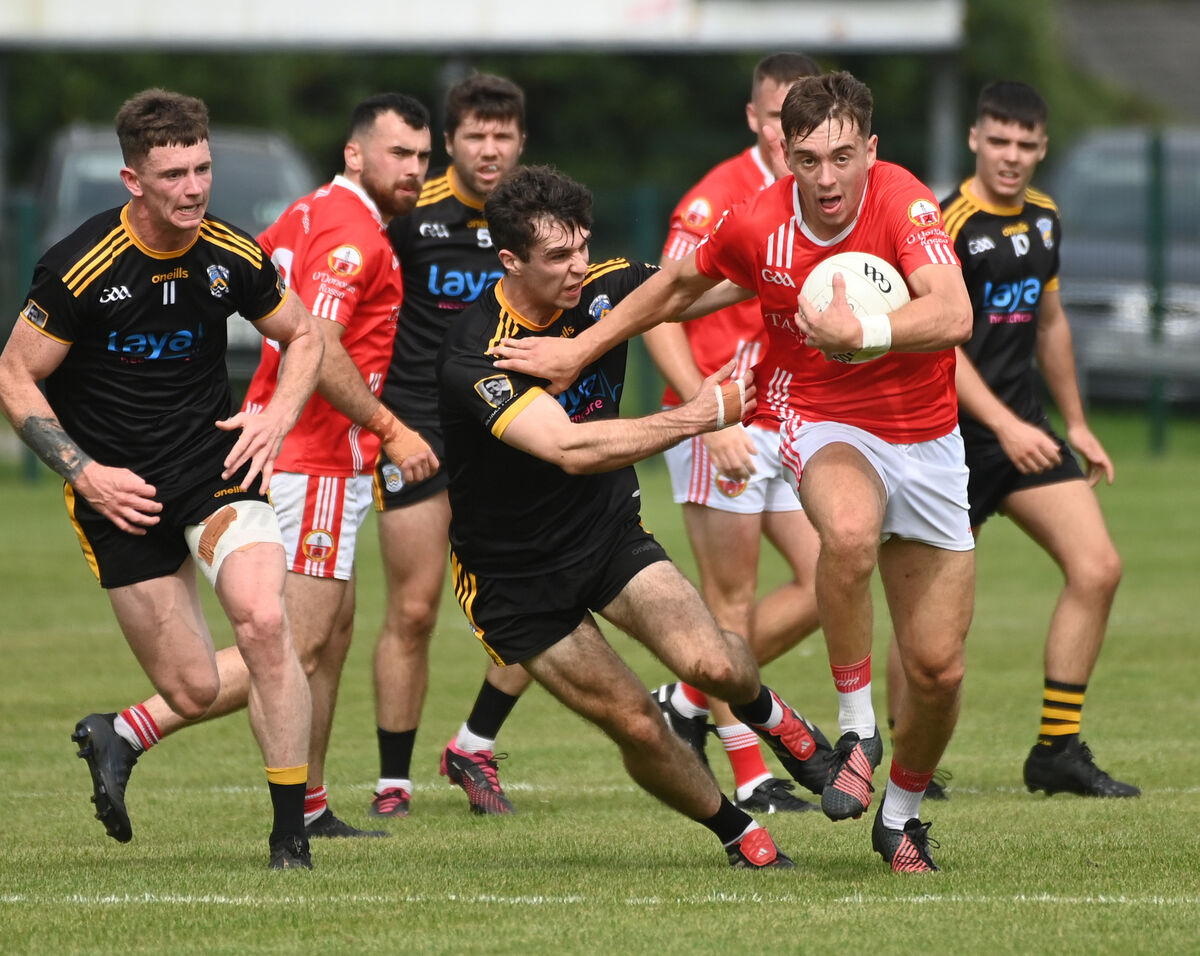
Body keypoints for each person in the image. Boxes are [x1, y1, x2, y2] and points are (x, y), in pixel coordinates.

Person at [493, 73, 976, 872]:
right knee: (847, 535)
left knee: (939, 671)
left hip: (928, 440)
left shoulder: (904, 202)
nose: (827, 179)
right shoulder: (756, 220)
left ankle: (901, 815)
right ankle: (855, 729)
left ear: (872, 152)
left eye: (844, 157)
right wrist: (579, 349)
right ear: (783, 152)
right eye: (810, 159)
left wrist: (867, 328)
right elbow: (676, 285)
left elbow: (953, 313)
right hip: (820, 416)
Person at [439, 163, 833, 869]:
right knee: (641, 725)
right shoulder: (476, 351)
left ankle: (775, 717)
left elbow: (717, 283)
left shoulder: (606, 285)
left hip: (605, 534)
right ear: (509, 260)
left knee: (712, 660)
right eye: (557, 256)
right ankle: (738, 832)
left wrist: (814, 249)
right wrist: (698, 416)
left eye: (583, 247)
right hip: (514, 578)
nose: (577, 267)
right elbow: (569, 447)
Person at [98, 93, 441, 842]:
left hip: (304, 453)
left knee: (333, 634)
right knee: (292, 642)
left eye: (422, 156)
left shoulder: (309, 211)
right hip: (313, 456)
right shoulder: (354, 239)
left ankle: (311, 806)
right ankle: (127, 730)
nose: (416, 170)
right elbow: (316, 340)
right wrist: (390, 426)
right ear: (354, 154)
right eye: (398, 154)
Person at [0, 89, 325, 870]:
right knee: (189, 690)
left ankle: (290, 839)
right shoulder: (80, 268)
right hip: (119, 494)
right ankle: (120, 730)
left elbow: (306, 334)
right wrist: (87, 474)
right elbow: (15, 378)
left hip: (214, 469)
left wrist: (276, 415)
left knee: (266, 623)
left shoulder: (231, 254)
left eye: (202, 168)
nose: (194, 188)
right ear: (131, 180)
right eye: (174, 173)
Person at [890, 80, 1136, 798]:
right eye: (999, 141)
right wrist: (1002, 424)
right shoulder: (947, 221)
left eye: (1026, 144)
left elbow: (1050, 325)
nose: (1012, 156)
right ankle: (910, 764)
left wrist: (1079, 424)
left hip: (1024, 429)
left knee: (1098, 568)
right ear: (974, 139)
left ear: (1043, 148)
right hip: (946, 440)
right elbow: (939, 344)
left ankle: (1057, 749)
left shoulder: (1047, 218)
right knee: (925, 618)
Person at [646, 52, 826, 814]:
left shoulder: (817, 195)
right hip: (719, 419)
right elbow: (658, 312)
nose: (791, 131)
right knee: (732, 600)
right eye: (778, 115)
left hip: (782, 416)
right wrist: (705, 413)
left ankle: (686, 699)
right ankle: (752, 773)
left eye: (804, 117)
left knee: (831, 578)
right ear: (755, 120)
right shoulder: (714, 200)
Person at [370, 73, 532, 818]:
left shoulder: (534, 222)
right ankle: (392, 785)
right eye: (476, 135)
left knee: (543, 598)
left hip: (505, 430)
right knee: (414, 608)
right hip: (418, 432)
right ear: (450, 144)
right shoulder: (409, 216)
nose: (489, 149)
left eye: (503, 135)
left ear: (521, 142)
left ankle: (472, 743)